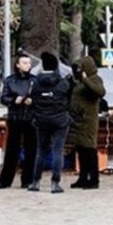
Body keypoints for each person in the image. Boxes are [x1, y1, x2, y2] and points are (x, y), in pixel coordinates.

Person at [28, 52, 72, 193]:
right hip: (60, 120)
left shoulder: (35, 83)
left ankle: (35, 182)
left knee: (40, 150)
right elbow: (69, 99)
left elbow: (32, 100)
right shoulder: (63, 82)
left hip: (41, 120)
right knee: (57, 150)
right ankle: (55, 182)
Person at [0, 53, 37, 189]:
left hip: (30, 118)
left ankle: (28, 179)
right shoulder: (10, 80)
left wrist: (33, 101)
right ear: (18, 65)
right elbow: (3, 98)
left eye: (29, 63)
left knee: (31, 150)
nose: (27, 65)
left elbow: (41, 98)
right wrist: (14, 100)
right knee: (12, 150)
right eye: (24, 63)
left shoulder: (35, 80)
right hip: (15, 117)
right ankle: (5, 180)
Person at [66, 56, 106, 189]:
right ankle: (83, 178)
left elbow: (100, 92)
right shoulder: (79, 83)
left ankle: (94, 179)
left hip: (88, 120)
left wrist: (85, 79)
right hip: (77, 120)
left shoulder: (95, 79)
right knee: (81, 149)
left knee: (89, 149)